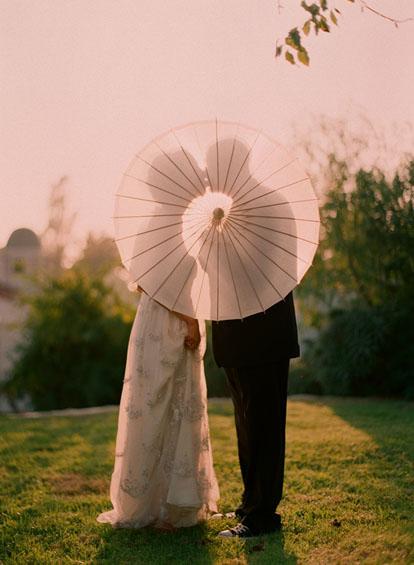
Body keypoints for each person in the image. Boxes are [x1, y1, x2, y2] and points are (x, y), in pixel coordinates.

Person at [97, 151, 219, 531]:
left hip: (157, 323)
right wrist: (191, 323)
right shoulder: (165, 224)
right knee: (164, 405)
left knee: (167, 407)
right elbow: (162, 285)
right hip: (169, 325)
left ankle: (164, 499)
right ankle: (163, 505)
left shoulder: (162, 223)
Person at [206, 138, 300, 538]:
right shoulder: (230, 213)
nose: (210, 178)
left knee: (262, 423)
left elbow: (275, 267)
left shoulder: (265, 207)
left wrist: (215, 243)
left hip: (261, 331)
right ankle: (250, 504)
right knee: (247, 422)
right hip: (239, 333)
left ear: (231, 167)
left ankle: (263, 515)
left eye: (213, 168)